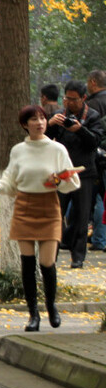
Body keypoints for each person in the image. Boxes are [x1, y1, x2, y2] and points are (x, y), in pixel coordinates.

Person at [0, 105, 81, 330]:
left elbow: (72, 181)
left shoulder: (57, 149)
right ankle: (33, 314)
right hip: (25, 206)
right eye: (34, 119)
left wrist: (58, 180)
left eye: (42, 118)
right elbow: (10, 179)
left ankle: (51, 306)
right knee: (27, 262)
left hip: (49, 206)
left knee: (47, 262)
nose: (40, 122)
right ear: (25, 125)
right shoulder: (18, 150)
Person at [47, 80, 103, 269]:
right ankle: (50, 256)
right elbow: (45, 141)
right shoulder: (58, 115)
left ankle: (77, 256)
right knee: (56, 214)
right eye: (66, 99)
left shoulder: (93, 116)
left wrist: (80, 129)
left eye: (73, 99)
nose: (69, 103)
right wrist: (50, 125)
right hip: (60, 172)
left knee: (81, 215)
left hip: (84, 172)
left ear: (83, 98)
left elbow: (94, 142)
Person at [86, 71, 106, 252]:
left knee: (100, 198)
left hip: (99, 159)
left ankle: (99, 238)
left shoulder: (93, 104)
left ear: (92, 82)